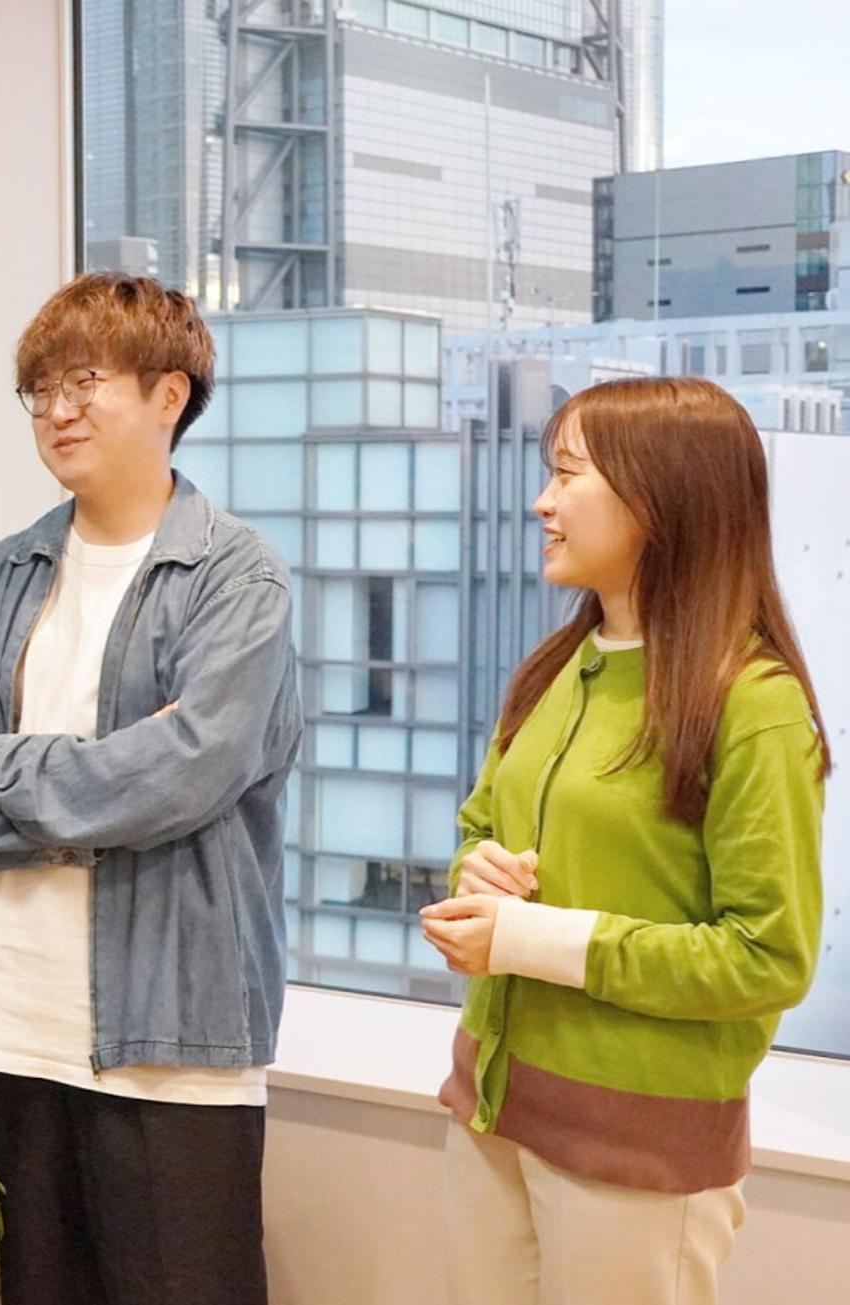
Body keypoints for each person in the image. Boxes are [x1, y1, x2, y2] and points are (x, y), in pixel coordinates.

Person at [0, 271, 302, 1304]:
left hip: (173, 1029)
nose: (57, 410)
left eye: (86, 382)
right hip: (14, 1016)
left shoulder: (236, 578)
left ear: (169, 395)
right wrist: (118, 777)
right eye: (40, 389)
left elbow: (190, 772)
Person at [418, 376, 829, 1305]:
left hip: (639, 1147)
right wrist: (477, 872)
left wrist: (532, 938)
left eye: (569, 474)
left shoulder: (753, 705)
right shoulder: (556, 667)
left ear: (660, 497)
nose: (543, 502)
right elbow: (480, 825)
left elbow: (768, 957)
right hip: (492, 1108)